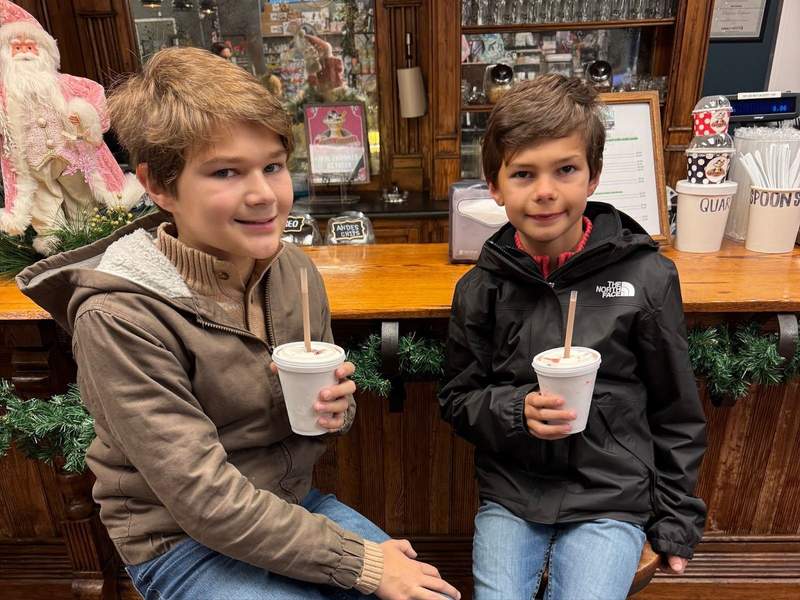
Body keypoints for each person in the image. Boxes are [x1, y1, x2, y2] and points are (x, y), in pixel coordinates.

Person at [17, 47, 459, 600]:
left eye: (272, 166)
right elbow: (204, 501)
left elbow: (308, 424)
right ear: (157, 186)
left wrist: (333, 411)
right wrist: (363, 564)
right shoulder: (119, 315)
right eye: (226, 171)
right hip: (179, 542)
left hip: (288, 505)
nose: (263, 195)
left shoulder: (294, 271)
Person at [438, 74, 706, 600]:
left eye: (565, 170)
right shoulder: (480, 287)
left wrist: (676, 519)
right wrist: (518, 411)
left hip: (611, 494)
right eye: (522, 174)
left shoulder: (646, 277)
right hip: (513, 493)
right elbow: (457, 398)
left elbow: (677, 411)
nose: (544, 192)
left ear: (593, 175)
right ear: (494, 187)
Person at [0, 0, 142, 254]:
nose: (24, 53)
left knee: (82, 198)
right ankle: (52, 242)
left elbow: (95, 93)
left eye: (30, 46)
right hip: (31, 164)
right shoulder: (4, 96)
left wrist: (83, 114)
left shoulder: (64, 84)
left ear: (43, 51)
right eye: (16, 48)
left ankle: (86, 238)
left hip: (70, 155)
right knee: (42, 205)